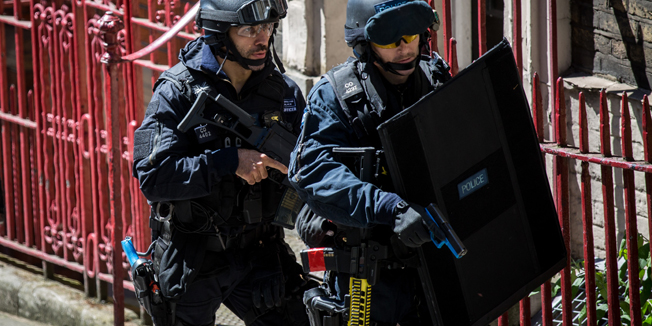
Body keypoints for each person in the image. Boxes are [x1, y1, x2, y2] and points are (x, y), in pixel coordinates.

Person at [131, 0, 313, 325]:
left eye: (268, 27)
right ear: (219, 33)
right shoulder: (177, 92)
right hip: (194, 254)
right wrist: (229, 161)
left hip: (261, 250)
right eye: (249, 30)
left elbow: (314, 165)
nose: (262, 38)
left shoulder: (282, 92)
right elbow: (153, 176)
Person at [288, 0, 452, 325]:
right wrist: (390, 207)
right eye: (389, 38)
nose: (404, 47)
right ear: (365, 45)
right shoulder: (335, 95)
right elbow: (312, 171)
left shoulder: (435, 80)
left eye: (410, 33)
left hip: (433, 267)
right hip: (366, 275)